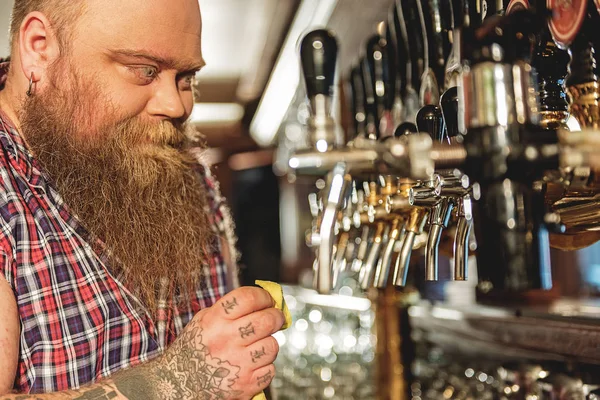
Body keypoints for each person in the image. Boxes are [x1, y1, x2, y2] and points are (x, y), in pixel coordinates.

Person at [0, 0, 285, 398]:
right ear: (40, 46)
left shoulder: (185, 174)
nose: (176, 105)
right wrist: (180, 380)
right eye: (144, 71)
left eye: (185, 77)